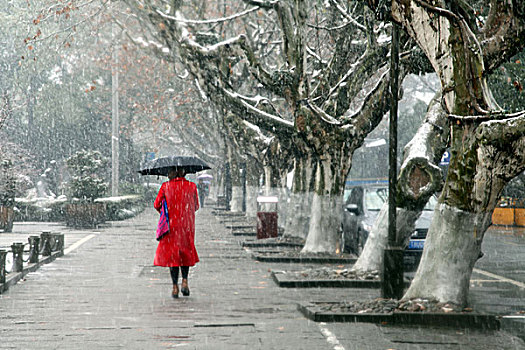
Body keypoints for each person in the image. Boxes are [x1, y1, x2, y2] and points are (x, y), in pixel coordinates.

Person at [153, 167, 200, 298]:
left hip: (170, 226)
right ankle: (185, 281)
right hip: (187, 226)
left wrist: (167, 211)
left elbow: (156, 204)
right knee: (185, 253)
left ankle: (175, 287)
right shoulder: (191, 186)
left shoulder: (165, 186)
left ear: (173, 173)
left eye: (169, 172)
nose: (167, 175)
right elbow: (196, 206)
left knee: (173, 256)